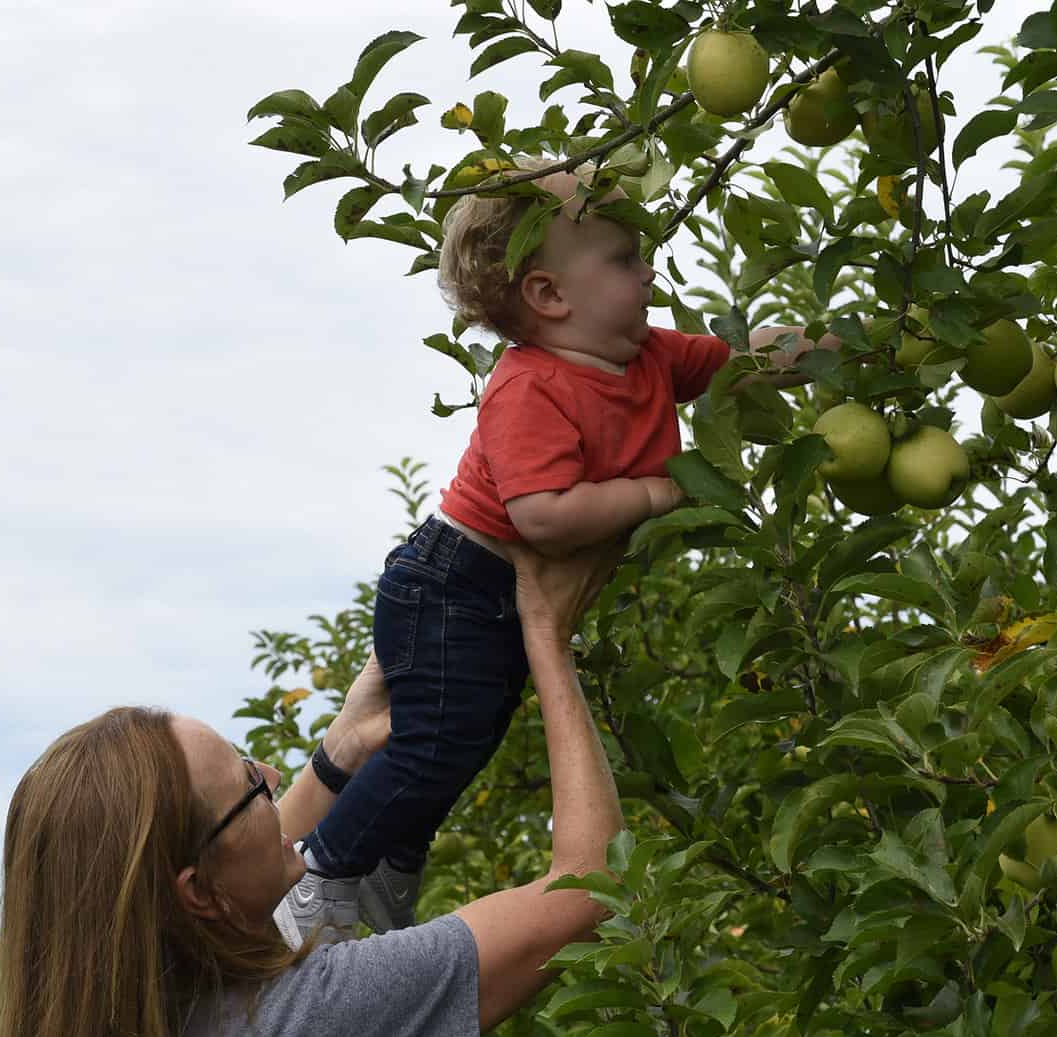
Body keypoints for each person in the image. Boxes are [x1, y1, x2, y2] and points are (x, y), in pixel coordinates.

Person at [0, 541, 627, 1037]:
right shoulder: (322, 1024)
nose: (270, 774)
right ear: (196, 894)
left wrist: (340, 750)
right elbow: (590, 884)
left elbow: (221, 866)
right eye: (248, 783)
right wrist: (548, 638)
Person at [290, 156, 833, 938]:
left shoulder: (646, 356)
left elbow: (739, 362)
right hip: (453, 581)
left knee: (462, 738)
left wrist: (813, 347)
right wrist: (655, 493)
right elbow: (541, 513)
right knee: (436, 736)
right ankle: (323, 875)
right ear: (549, 296)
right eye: (624, 258)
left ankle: (386, 865)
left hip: (497, 590)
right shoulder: (528, 386)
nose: (650, 271)